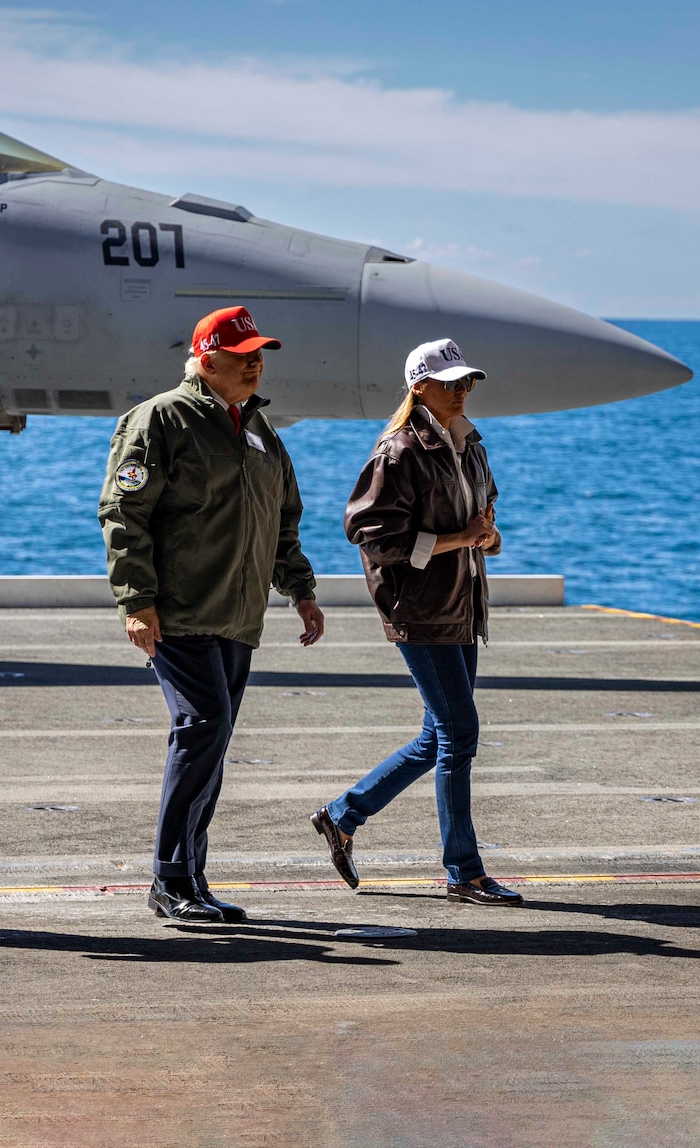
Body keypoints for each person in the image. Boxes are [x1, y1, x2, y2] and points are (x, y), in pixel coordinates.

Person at [100, 306, 325, 923]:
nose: (255, 365)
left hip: (239, 616)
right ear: (205, 359)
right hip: (180, 611)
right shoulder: (161, 418)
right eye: (241, 356)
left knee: (213, 741)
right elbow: (124, 513)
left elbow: (283, 520)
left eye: (259, 355)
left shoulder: (260, 429)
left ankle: (191, 879)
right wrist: (136, 601)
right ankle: (169, 879)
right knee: (203, 727)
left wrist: (300, 590)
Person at [311, 338, 524, 907]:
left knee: (439, 735)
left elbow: (484, 524)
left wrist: (488, 537)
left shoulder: (470, 445)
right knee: (459, 732)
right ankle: (464, 872)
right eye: (450, 383)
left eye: (467, 382)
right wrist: (459, 539)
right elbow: (371, 537)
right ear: (419, 386)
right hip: (420, 609)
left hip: (462, 606)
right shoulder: (399, 451)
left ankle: (342, 815)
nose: (461, 391)